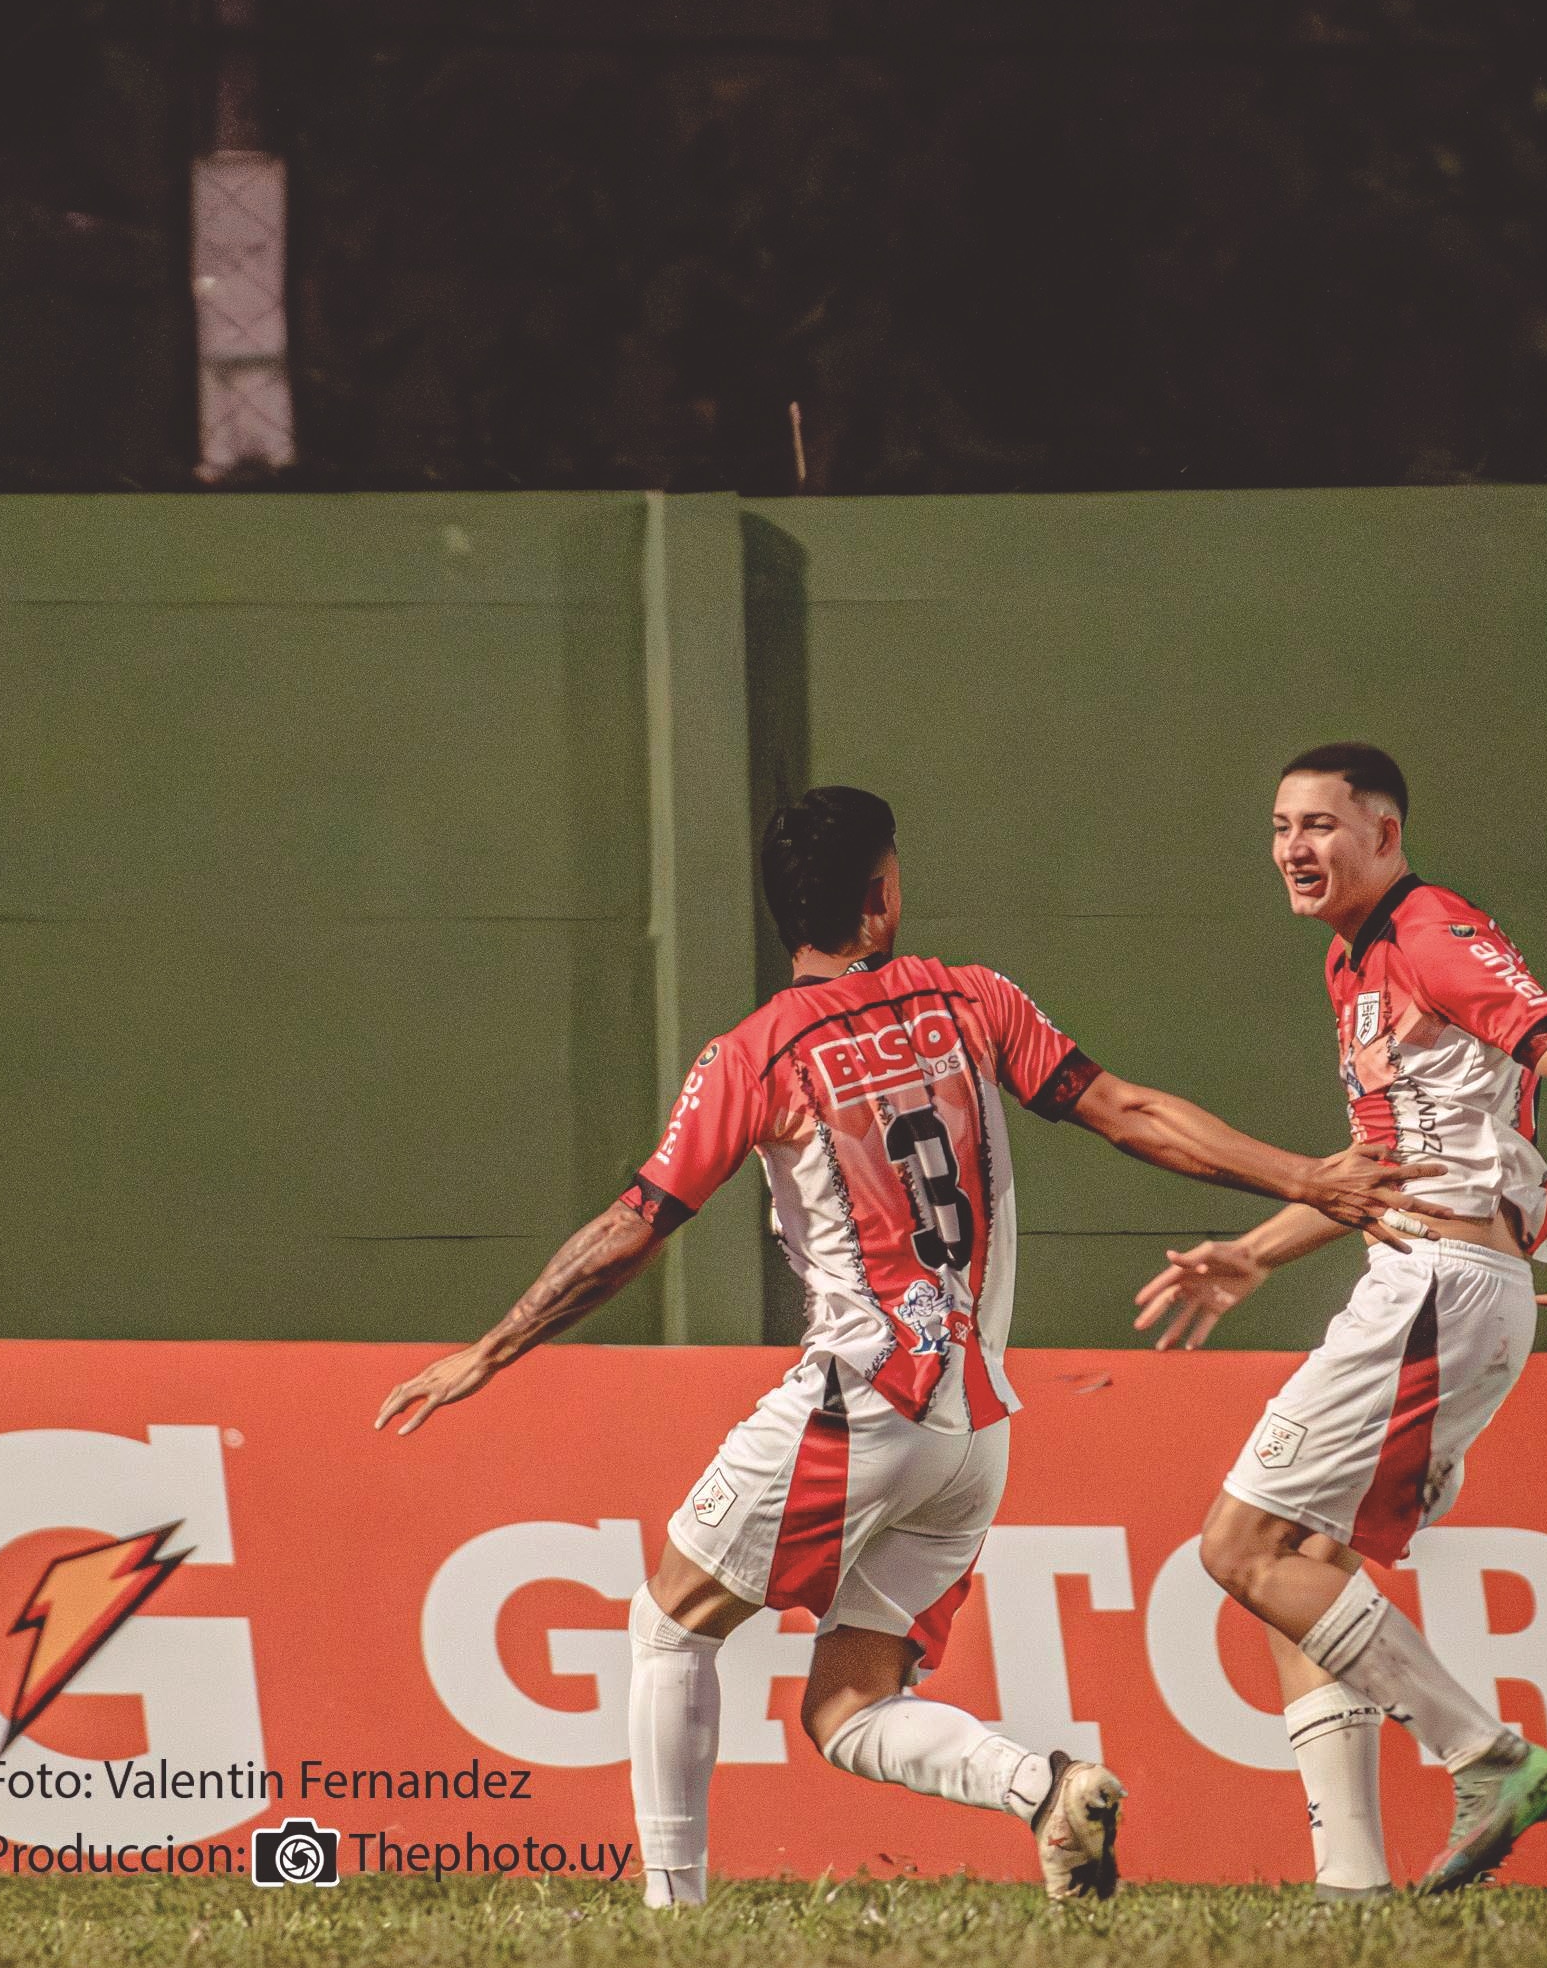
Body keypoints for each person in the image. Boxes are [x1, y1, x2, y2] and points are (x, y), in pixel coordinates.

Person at [375, 785, 1436, 1908]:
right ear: (879, 901)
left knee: (667, 1621)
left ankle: (669, 1914)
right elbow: (1127, 1110)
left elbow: (637, 1225)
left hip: (863, 1399)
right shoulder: (972, 1000)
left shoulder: (755, 1055)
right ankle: (1047, 1787)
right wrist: (1302, 1176)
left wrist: (491, 1348)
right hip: (974, 1429)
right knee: (846, 1707)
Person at [1135, 742, 1547, 1897]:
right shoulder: (1353, 964)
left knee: (1238, 1546)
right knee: (1301, 1563)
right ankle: (1353, 1879)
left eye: (1319, 826)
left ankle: (1487, 1755)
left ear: (1384, 832)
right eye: (1280, 827)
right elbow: (1391, 1164)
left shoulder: (1427, 932)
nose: (1293, 848)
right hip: (1436, 1279)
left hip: (1440, 1287)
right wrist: (1257, 1254)